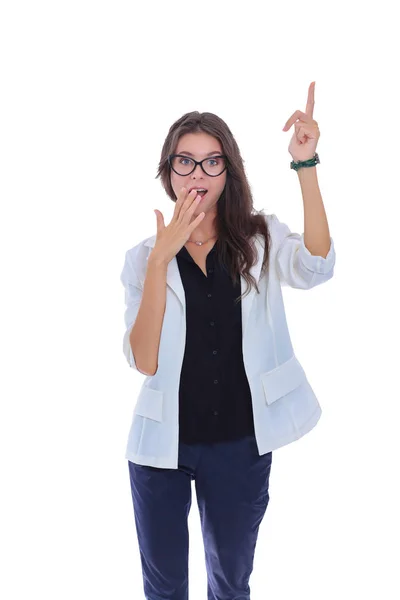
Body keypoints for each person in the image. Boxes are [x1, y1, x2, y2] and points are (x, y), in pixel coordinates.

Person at [120, 100, 335, 599]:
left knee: (231, 583)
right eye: (185, 160)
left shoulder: (258, 238)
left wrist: (305, 166)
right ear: (168, 172)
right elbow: (145, 360)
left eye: (212, 160)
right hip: (160, 451)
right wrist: (160, 262)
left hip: (240, 445)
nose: (199, 172)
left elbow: (317, 266)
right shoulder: (142, 259)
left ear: (228, 170)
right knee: (164, 589)